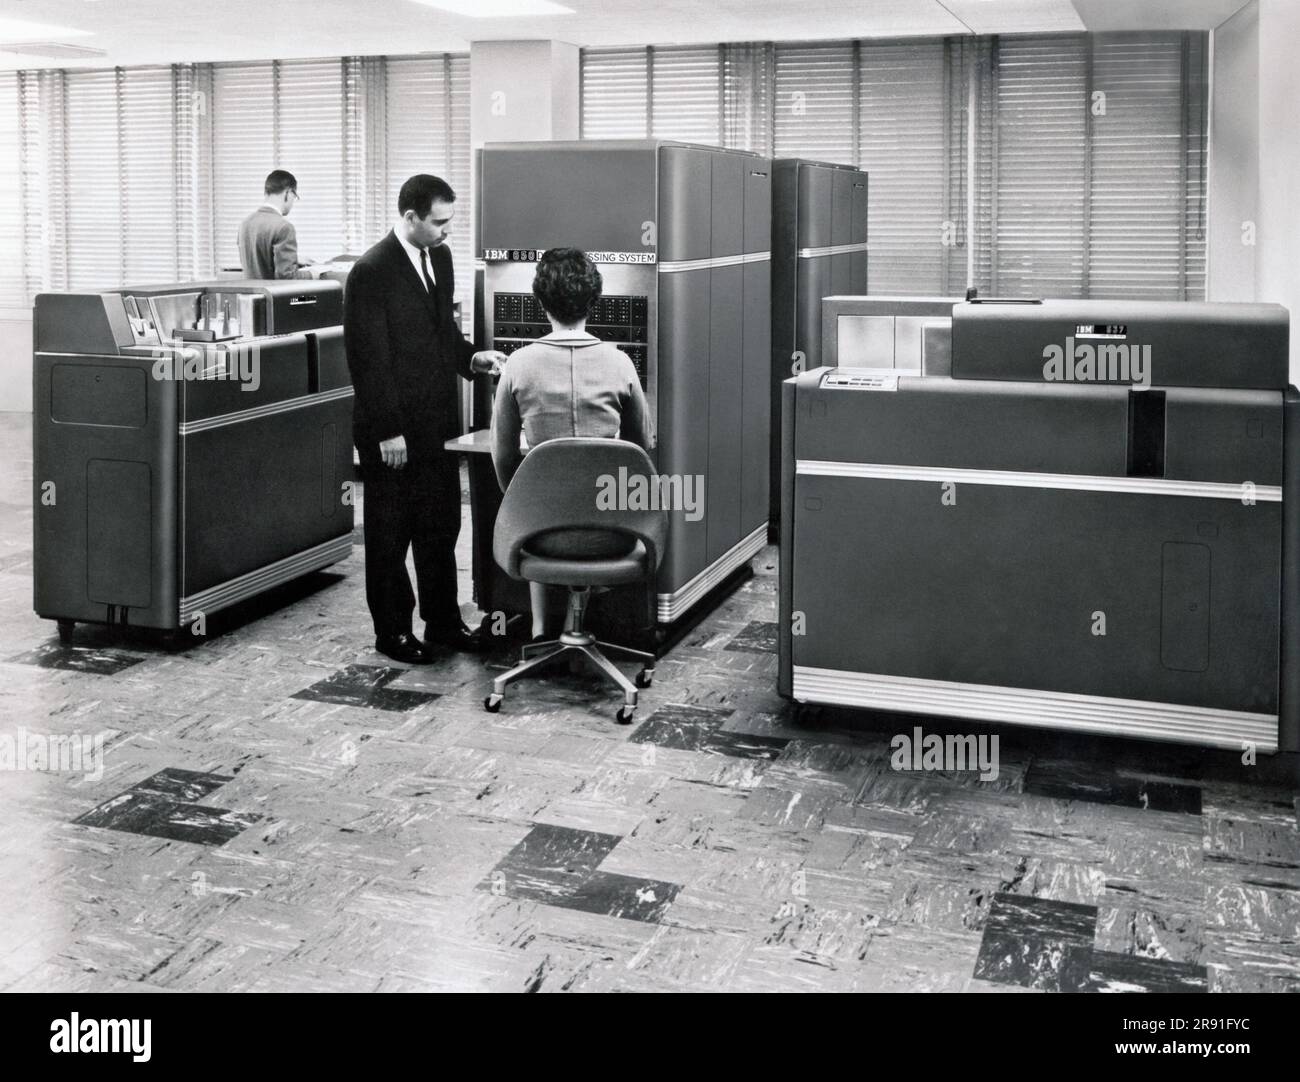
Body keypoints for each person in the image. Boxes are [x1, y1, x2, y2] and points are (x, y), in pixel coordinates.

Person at [344, 174, 506, 664]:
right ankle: (391, 632)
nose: (446, 231)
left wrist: (471, 359)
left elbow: (441, 333)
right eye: (438, 222)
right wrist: (388, 429)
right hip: (392, 430)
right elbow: (368, 358)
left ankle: (444, 622)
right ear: (410, 216)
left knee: (440, 527)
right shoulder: (372, 270)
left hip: (437, 424)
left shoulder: (440, 257)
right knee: (390, 536)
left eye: (450, 222)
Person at [491, 247, 652, 640]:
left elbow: (502, 454)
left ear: (541, 302)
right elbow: (641, 447)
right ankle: (574, 627)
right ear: (594, 301)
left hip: (538, 532)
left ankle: (542, 631)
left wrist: (522, 503)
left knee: (543, 501)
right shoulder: (620, 362)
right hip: (614, 532)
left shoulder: (518, 365)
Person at [237, 170, 313, 280]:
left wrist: (294, 259)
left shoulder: (245, 224)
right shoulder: (284, 227)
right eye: (294, 197)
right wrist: (313, 274)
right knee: (318, 298)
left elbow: (260, 259)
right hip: (279, 297)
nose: (292, 203)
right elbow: (287, 278)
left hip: (253, 296)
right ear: (288, 193)